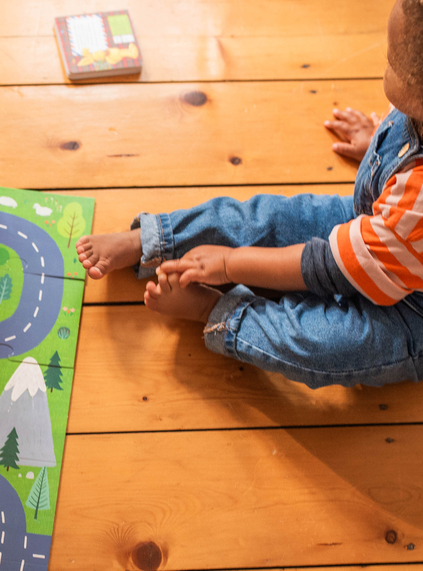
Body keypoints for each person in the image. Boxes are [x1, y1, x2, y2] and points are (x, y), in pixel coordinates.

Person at [76, 0, 423, 390]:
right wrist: (380, 144)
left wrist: (229, 264)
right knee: (269, 217)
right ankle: (149, 240)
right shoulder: (415, 112)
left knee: (320, 344)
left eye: (392, 64)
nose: (384, 68)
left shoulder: (418, 207)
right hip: (377, 229)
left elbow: (326, 267)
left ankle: (215, 309)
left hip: (408, 311)